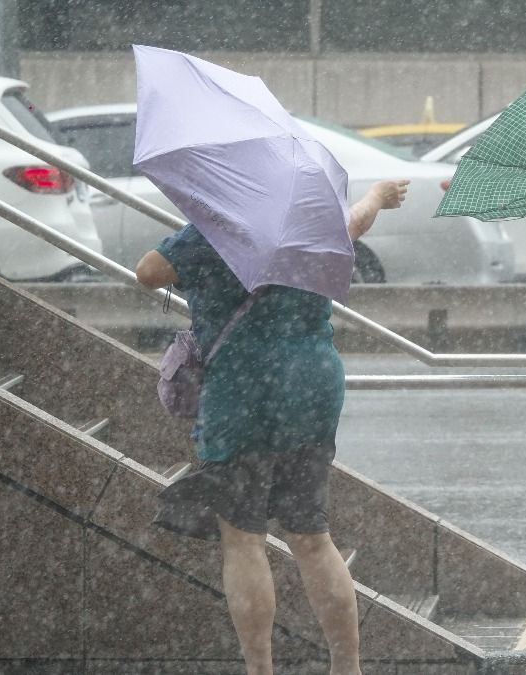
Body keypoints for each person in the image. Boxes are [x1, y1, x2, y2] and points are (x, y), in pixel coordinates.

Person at [135, 179, 409, 675]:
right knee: (312, 536)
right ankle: (347, 669)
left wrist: (202, 230)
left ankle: (260, 670)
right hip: (312, 385)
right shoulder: (307, 219)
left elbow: (148, 272)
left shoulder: (217, 226)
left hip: (245, 390)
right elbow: (354, 222)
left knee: (243, 539)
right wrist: (377, 197)